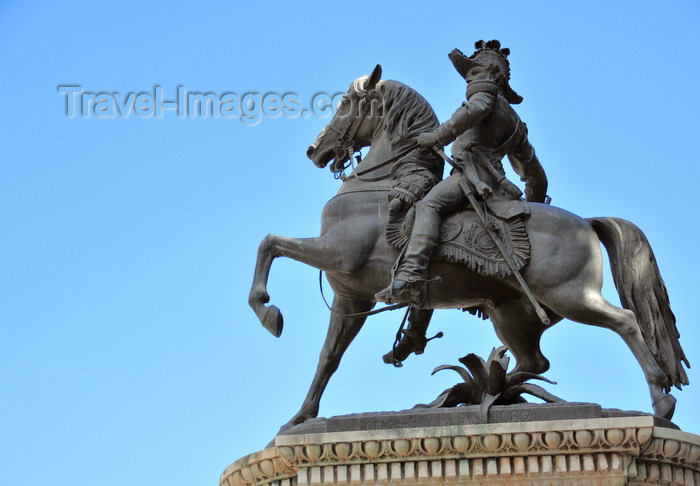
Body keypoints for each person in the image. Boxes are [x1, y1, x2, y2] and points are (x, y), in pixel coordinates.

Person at [375, 40, 548, 311]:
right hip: (497, 186)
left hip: (471, 179)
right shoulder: (516, 125)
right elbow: (535, 174)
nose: (468, 77)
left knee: (427, 205)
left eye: (474, 72)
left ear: (493, 75)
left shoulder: (485, 97)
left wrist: (436, 135)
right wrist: (531, 207)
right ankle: (416, 329)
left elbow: (472, 112)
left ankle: (411, 274)